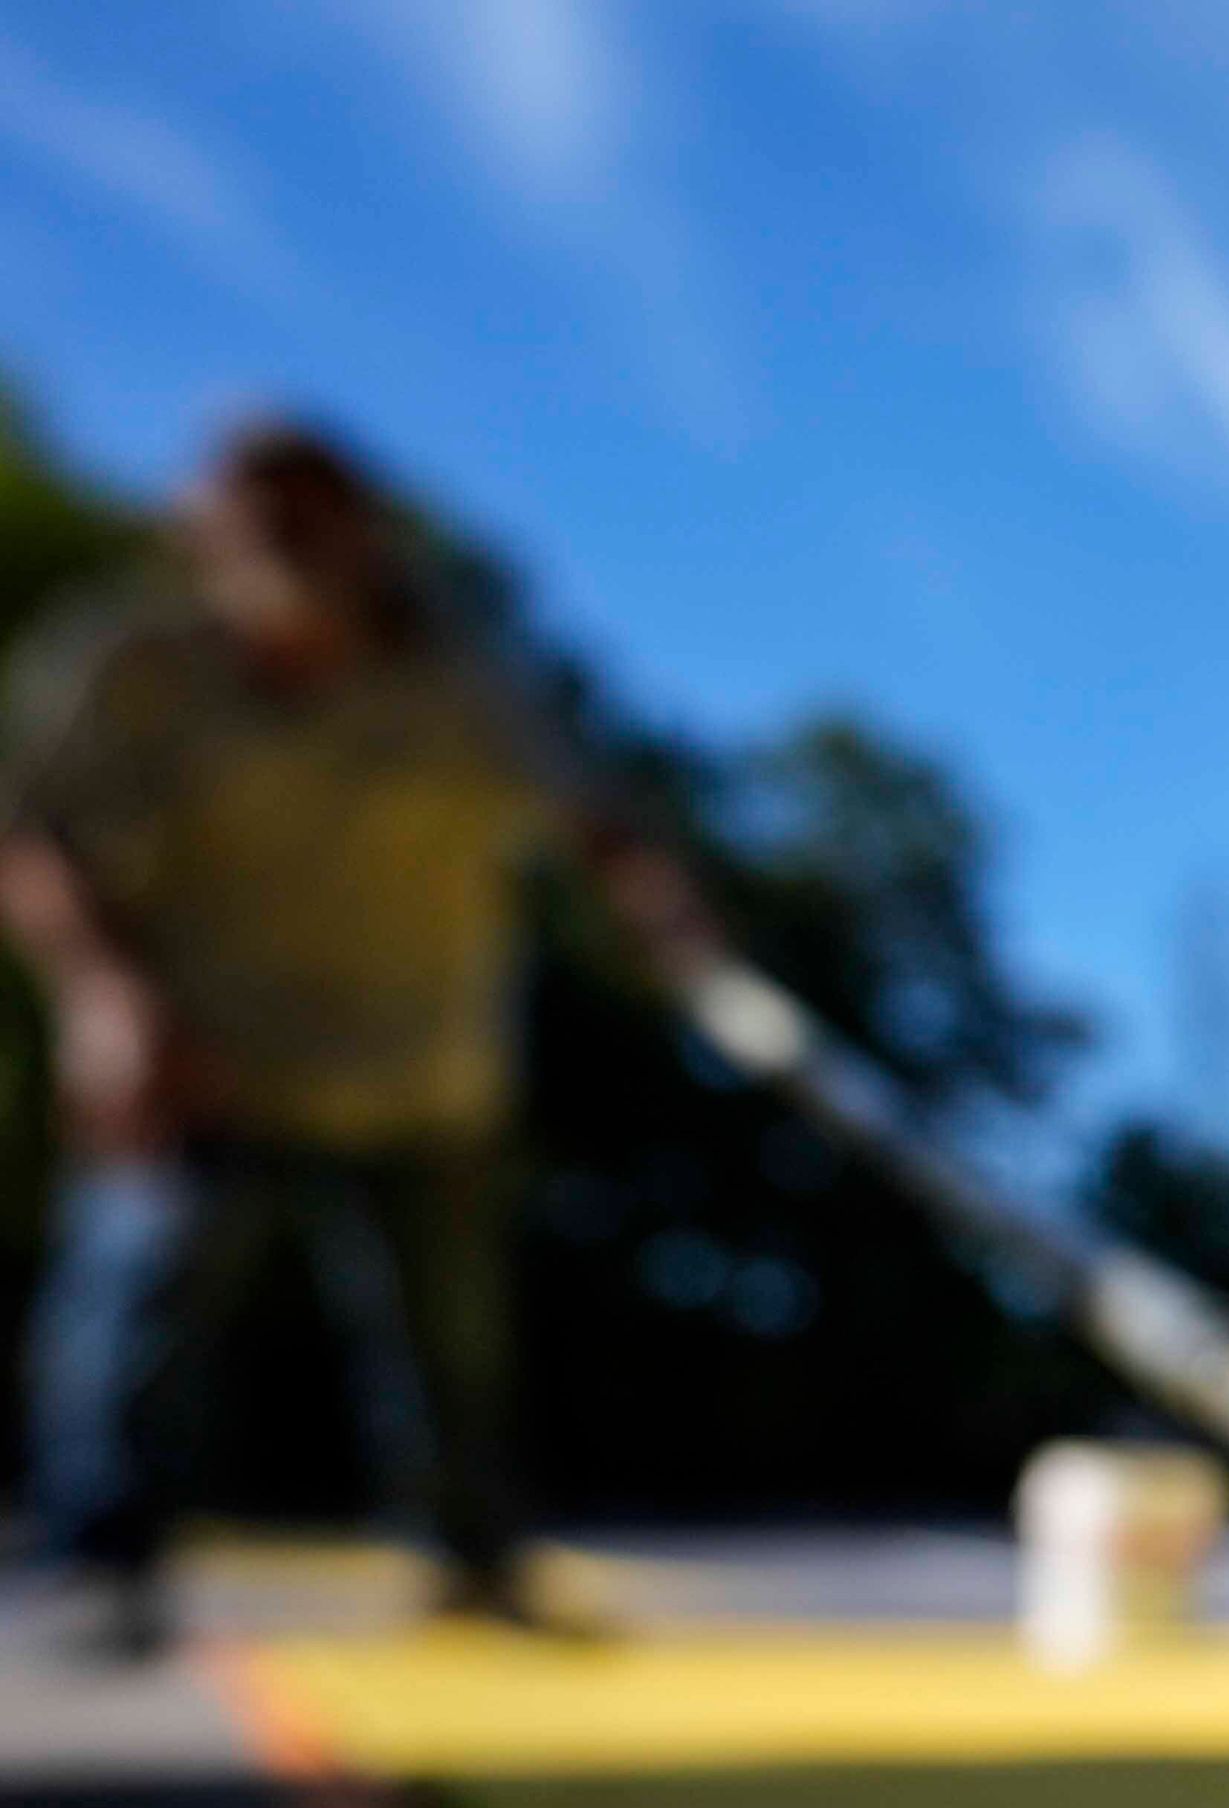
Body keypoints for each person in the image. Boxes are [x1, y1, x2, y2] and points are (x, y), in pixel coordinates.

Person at [0, 417, 719, 1654]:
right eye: (243, 519)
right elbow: (37, 839)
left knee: (452, 1338)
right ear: (197, 539)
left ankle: (474, 1559)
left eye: (304, 513)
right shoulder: (138, 669)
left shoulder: (466, 681)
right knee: (138, 1281)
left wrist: (660, 909)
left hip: (421, 1062)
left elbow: (596, 815)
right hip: (209, 1059)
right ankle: (101, 1561)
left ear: (363, 530)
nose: (274, 542)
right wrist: (107, 1001)